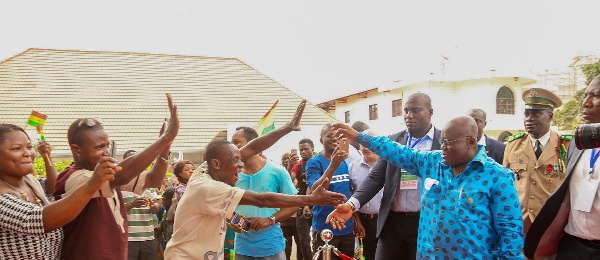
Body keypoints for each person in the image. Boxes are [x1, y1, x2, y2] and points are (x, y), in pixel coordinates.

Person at [327, 116, 524, 259]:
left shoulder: (498, 177)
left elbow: (510, 233)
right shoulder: (432, 162)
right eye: (442, 141)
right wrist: (359, 136)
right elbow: (396, 151)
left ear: (471, 142)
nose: (443, 147)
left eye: (449, 143)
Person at [163, 140, 347, 260]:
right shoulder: (209, 185)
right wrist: (312, 199)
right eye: (236, 157)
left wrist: (288, 127)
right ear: (217, 162)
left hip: (271, 245)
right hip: (203, 253)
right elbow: (263, 200)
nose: (240, 162)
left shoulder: (207, 172)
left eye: (239, 147)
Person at [53, 93, 178, 259]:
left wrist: (165, 145)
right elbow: (120, 177)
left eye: (107, 145)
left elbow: (153, 179)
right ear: (77, 150)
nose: (106, 151)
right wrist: (165, 138)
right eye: (99, 147)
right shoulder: (73, 178)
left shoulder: (103, 175)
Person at [342, 93, 441, 260]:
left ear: (430, 112)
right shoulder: (394, 141)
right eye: (406, 111)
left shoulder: (443, 141)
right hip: (392, 224)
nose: (409, 116)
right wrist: (351, 204)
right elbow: (376, 178)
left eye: (416, 110)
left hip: (427, 224)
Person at [0, 124, 118, 259]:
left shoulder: (29, 180)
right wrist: (92, 184)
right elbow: (40, 220)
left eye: (29, 147)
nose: (27, 153)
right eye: (16, 149)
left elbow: (53, 187)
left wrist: (46, 157)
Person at [525, 75, 600, 259]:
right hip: (572, 247)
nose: (586, 103)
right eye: (585, 95)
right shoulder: (577, 143)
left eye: (596, 96)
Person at [503, 88, 570, 235]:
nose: (529, 118)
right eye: (527, 114)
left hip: (552, 224)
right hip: (519, 223)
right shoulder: (513, 145)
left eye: (536, 113)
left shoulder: (566, 146)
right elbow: (504, 186)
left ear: (550, 116)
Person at [230, 126, 298, 260]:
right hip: (242, 247)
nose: (233, 148)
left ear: (254, 144)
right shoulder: (232, 175)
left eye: (237, 142)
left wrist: (269, 220)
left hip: (271, 247)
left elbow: (294, 204)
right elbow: (226, 205)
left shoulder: (277, 171)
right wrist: (234, 220)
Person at [306, 124, 354, 260]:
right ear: (321, 140)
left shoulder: (346, 162)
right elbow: (315, 189)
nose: (334, 139)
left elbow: (350, 192)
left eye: (337, 136)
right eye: (329, 136)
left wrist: (357, 221)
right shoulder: (314, 162)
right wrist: (333, 165)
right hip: (324, 228)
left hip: (347, 227)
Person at [121, 150, 162, 260]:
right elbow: (114, 210)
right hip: (128, 238)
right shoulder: (118, 183)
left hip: (148, 237)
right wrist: (132, 204)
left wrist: (153, 206)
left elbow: (156, 209)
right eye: (132, 158)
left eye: (138, 158)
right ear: (124, 162)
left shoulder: (149, 183)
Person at [348, 129, 382, 260]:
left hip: (384, 220)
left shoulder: (388, 166)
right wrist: (357, 221)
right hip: (363, 221)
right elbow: (352, 194)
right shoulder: (353, 167)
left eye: (371, 144)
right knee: (365, 255)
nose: (367, 148)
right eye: (364, 144)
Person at [289, 138, 315, 260]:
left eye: (306, 149)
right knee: (304, 240)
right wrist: (289, 167)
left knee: (319, 237)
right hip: (301, 205)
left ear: (313, 149)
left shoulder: (318, 162)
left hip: (318, 206)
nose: (303, 152)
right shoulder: (297, 165)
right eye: (301, 150)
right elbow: (289, 181)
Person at [279, 152, 302, 260]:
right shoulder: (278, 174)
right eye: (284, 158)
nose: (287, 160)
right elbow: (285, 181)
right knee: (286, 250)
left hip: (298, 219)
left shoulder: (298, 173)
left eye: (289, 158)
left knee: (301, 248)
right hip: (284, 220)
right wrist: (289, 168)